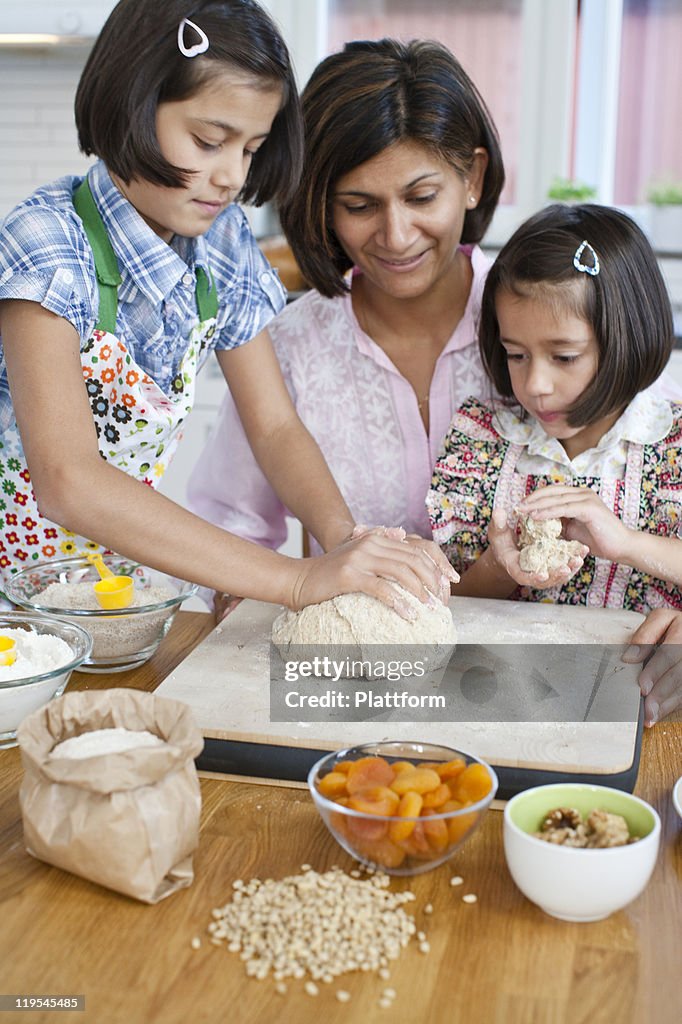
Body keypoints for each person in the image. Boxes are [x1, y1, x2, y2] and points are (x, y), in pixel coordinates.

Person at [0, 0, 455, 618]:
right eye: (209, 142)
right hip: (11, 600)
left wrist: (343, 539)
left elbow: (274, 425)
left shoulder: (221, 242)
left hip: (108, 595)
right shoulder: (47, 244)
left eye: (250, 149)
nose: (230, 177)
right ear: (133, 106)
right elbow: (69, 482)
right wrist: (297, 581)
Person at [188, 38, 505, 562]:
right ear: (322, 205)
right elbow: (230, 528)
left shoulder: (548, 324)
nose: (397, 236)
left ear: (471, 178)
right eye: (359, 206)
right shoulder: (288, 348)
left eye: (421, 198)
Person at [427, 203, 682, 723]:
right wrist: (500, 567)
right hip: (499, 701)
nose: (535, 385)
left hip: (644, 709)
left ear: (626, 337)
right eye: (516, 354)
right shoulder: (485, 438)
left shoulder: (672, 442)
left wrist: (625, 543)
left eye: (564, 357)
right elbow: (447, 599)